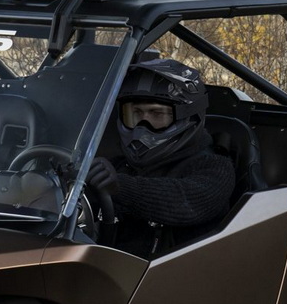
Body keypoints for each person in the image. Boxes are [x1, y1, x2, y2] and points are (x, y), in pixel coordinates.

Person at [83, 52, 235, 257]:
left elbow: (185, 202)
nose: (142, 126)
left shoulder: (215, 168)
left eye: (156, 114)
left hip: (181, 280)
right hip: (109, 275)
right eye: (135, 114)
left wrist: (119, 187)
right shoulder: (121, 166)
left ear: (187, 117)